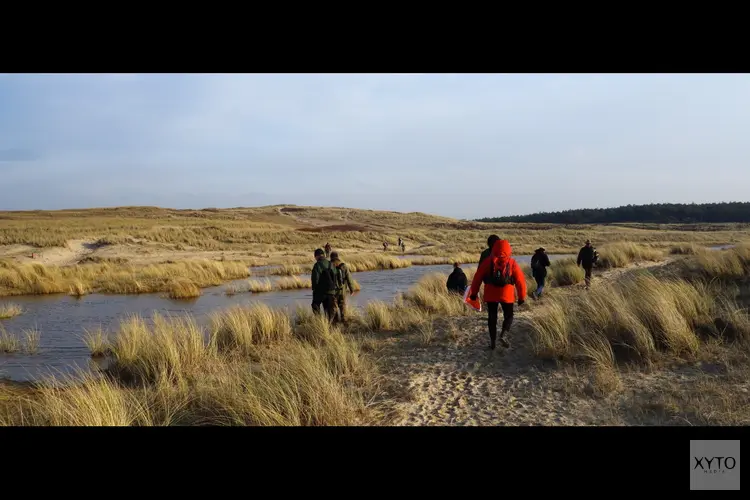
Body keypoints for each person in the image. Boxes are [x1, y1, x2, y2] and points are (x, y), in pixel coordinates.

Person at [468, 239, 526, 350]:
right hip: (507, 295)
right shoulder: (512, 262)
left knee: (492, 318)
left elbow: (477, 278)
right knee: (509, 316)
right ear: (508, 249)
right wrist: (521, 297)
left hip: (491, 295)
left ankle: (493, 342)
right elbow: (520, 281)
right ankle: (504, 334)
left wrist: (474, 293)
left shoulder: (488, 261)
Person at [310, 248, 337, 321]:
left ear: (317, 256)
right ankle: (329, 325)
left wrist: (314, 290)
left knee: (315, 305)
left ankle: (319, 321)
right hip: (331, 291)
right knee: (329, 310)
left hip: (321, 292)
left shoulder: (317, 265)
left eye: (315, 257)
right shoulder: (331, 264)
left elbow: (315, 279)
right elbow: (335, 277)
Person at [330, 252, 356, 324]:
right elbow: (349, 278)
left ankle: (335, 321)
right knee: (342, 305)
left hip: (333, 291)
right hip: (342, 290)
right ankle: (344, 320)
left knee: (334, 306)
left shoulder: (329, 266)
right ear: (338, 257)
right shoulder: (343, 266)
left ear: (331, 257)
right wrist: (352, 289)